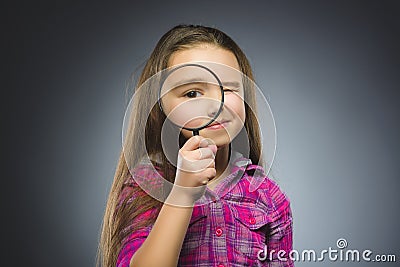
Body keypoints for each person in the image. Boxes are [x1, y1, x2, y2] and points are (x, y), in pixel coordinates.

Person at [98, 24, 293, 267]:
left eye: (228, 89)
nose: (214, 105)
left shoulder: (268, 196)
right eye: (192, 93)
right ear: (161, 108)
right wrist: (182, 192)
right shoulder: (147, 183)